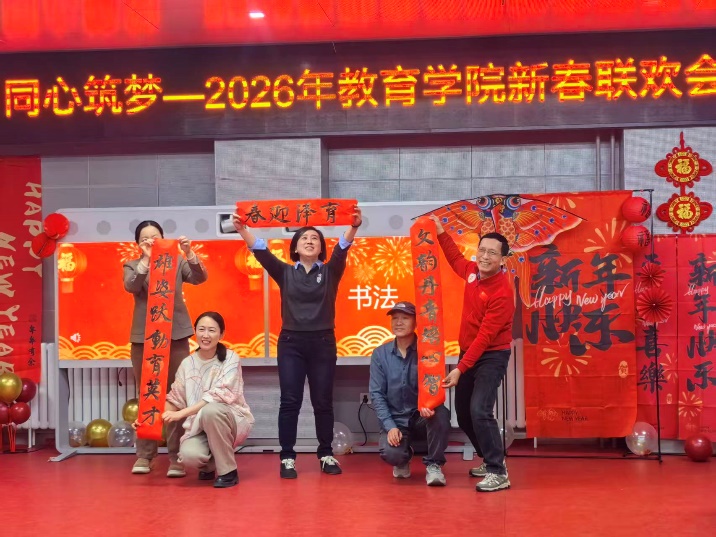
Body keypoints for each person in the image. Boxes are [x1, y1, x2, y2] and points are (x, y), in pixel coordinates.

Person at [232, 205, 362, 478]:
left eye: (315, 238)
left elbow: (342, 247)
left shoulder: (330, 271)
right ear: (295, 247)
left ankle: (325, 454)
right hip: (291, 344)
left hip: (323, 343)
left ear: (321, 247)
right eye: (304, 238)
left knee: (322, 402)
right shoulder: (285, 272)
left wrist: (354, 226)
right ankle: (287, 458)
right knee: (290, 401)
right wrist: (242, 229)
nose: (310, 241)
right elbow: (260, 251)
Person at [430, 215, 515, 493]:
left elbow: (485, 338)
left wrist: (460, 368)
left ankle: (498, 472)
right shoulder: (471, 272)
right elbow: (455, 258)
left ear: (502, 259)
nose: (485, 256)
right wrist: (441, 232)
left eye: (492, 253)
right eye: (482, 250)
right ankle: (490, 458)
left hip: (492, 355)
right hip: (468, 352)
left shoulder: (502, 292)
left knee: (480, 410)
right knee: (464, 413)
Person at [124, 220, 208, 476]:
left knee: (176, 395)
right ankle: (145, 455)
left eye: (155, 237)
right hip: (144, 339)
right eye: (145, 238)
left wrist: (189, 253)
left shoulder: (177, 261)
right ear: (138, 243)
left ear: (163, 238)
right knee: (147, 395)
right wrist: (146, 260)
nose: (151, 241)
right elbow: (131, 286)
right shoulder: (132, 264)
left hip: (175, 337)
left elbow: (200, 277)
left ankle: (176, 456)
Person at [162, 312, 254, 488]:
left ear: (221, 334)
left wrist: (182, 413)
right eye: (201, 329)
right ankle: (210, 465)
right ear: (195, 331)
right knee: (189, 456)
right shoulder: (187, 363)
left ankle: (228, 472)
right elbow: (175, 398)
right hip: (199, 425)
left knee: (210, 410)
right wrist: (148, 421)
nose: (205, 335)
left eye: (211, 330)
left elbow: (216, 396)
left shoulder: (231, 358)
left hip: (230, 420)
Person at [369, 301, 451, 486]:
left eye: (405, 318)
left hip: (421, 416)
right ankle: (403, 457)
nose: (398, 322)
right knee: (392, 455)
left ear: (416, 322)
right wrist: (390, 426)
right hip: (396, 419)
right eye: (395, 318)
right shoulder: (380, 354)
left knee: (441, 414)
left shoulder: (428, 351)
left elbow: (434, 386)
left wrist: (430, 404)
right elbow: (377, 394)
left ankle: (434, 465)